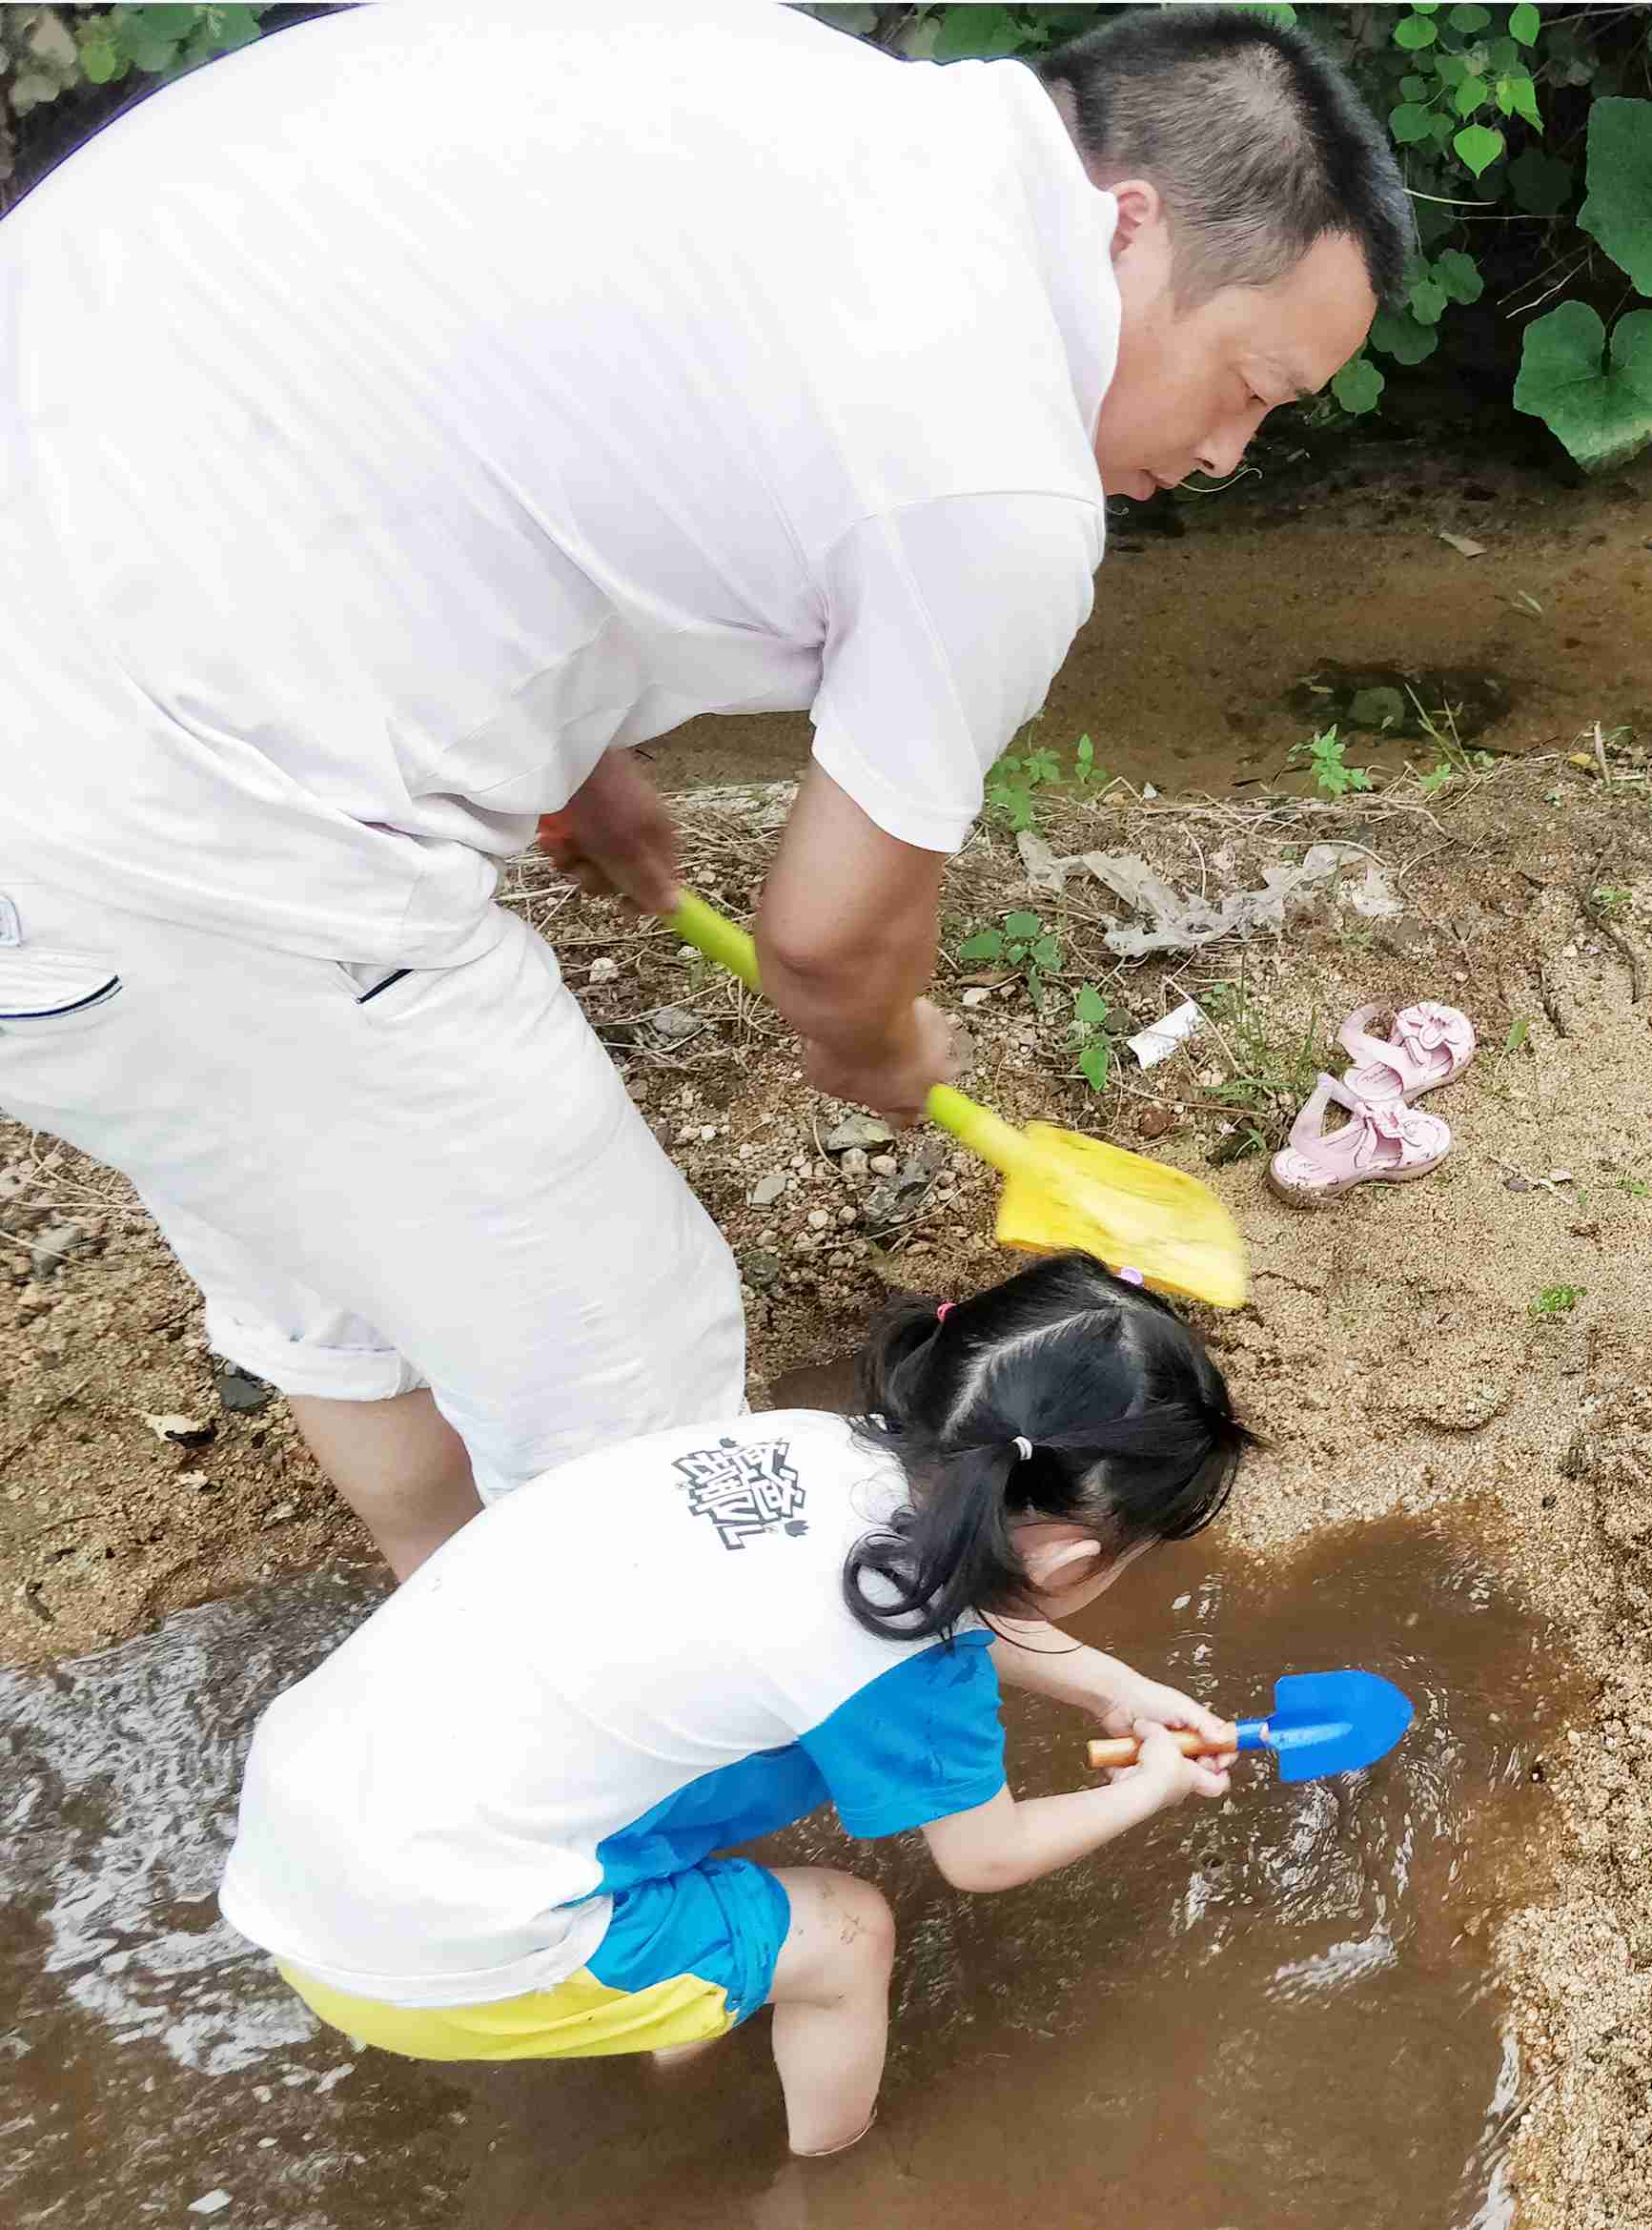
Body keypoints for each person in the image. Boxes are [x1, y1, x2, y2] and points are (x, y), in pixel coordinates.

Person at [0, 5, 1403, 1575]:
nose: (1226, 452)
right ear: (1129, 230)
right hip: (177, 802)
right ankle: (631, 1788)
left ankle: (448, 1647)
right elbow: (825, 946)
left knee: (335, 1248)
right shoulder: (994, 460)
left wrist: (568, 744)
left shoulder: (810, 122)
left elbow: (467, 393)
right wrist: (886, 1040)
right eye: (1248, 384)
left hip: (75, 696)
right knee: (631, 1359)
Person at [218, 1255, 1254, 2157]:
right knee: (848, 1932)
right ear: (1076, 1555)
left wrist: (1112, 1683)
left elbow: (931, 1594)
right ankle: (831, 2162)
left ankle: (683, 2013)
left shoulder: (814, 1448)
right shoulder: (908, 1661)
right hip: (429, 1949)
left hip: (313, 1826)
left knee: (701, 1819)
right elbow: (986, 1855)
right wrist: (1151, 1787)